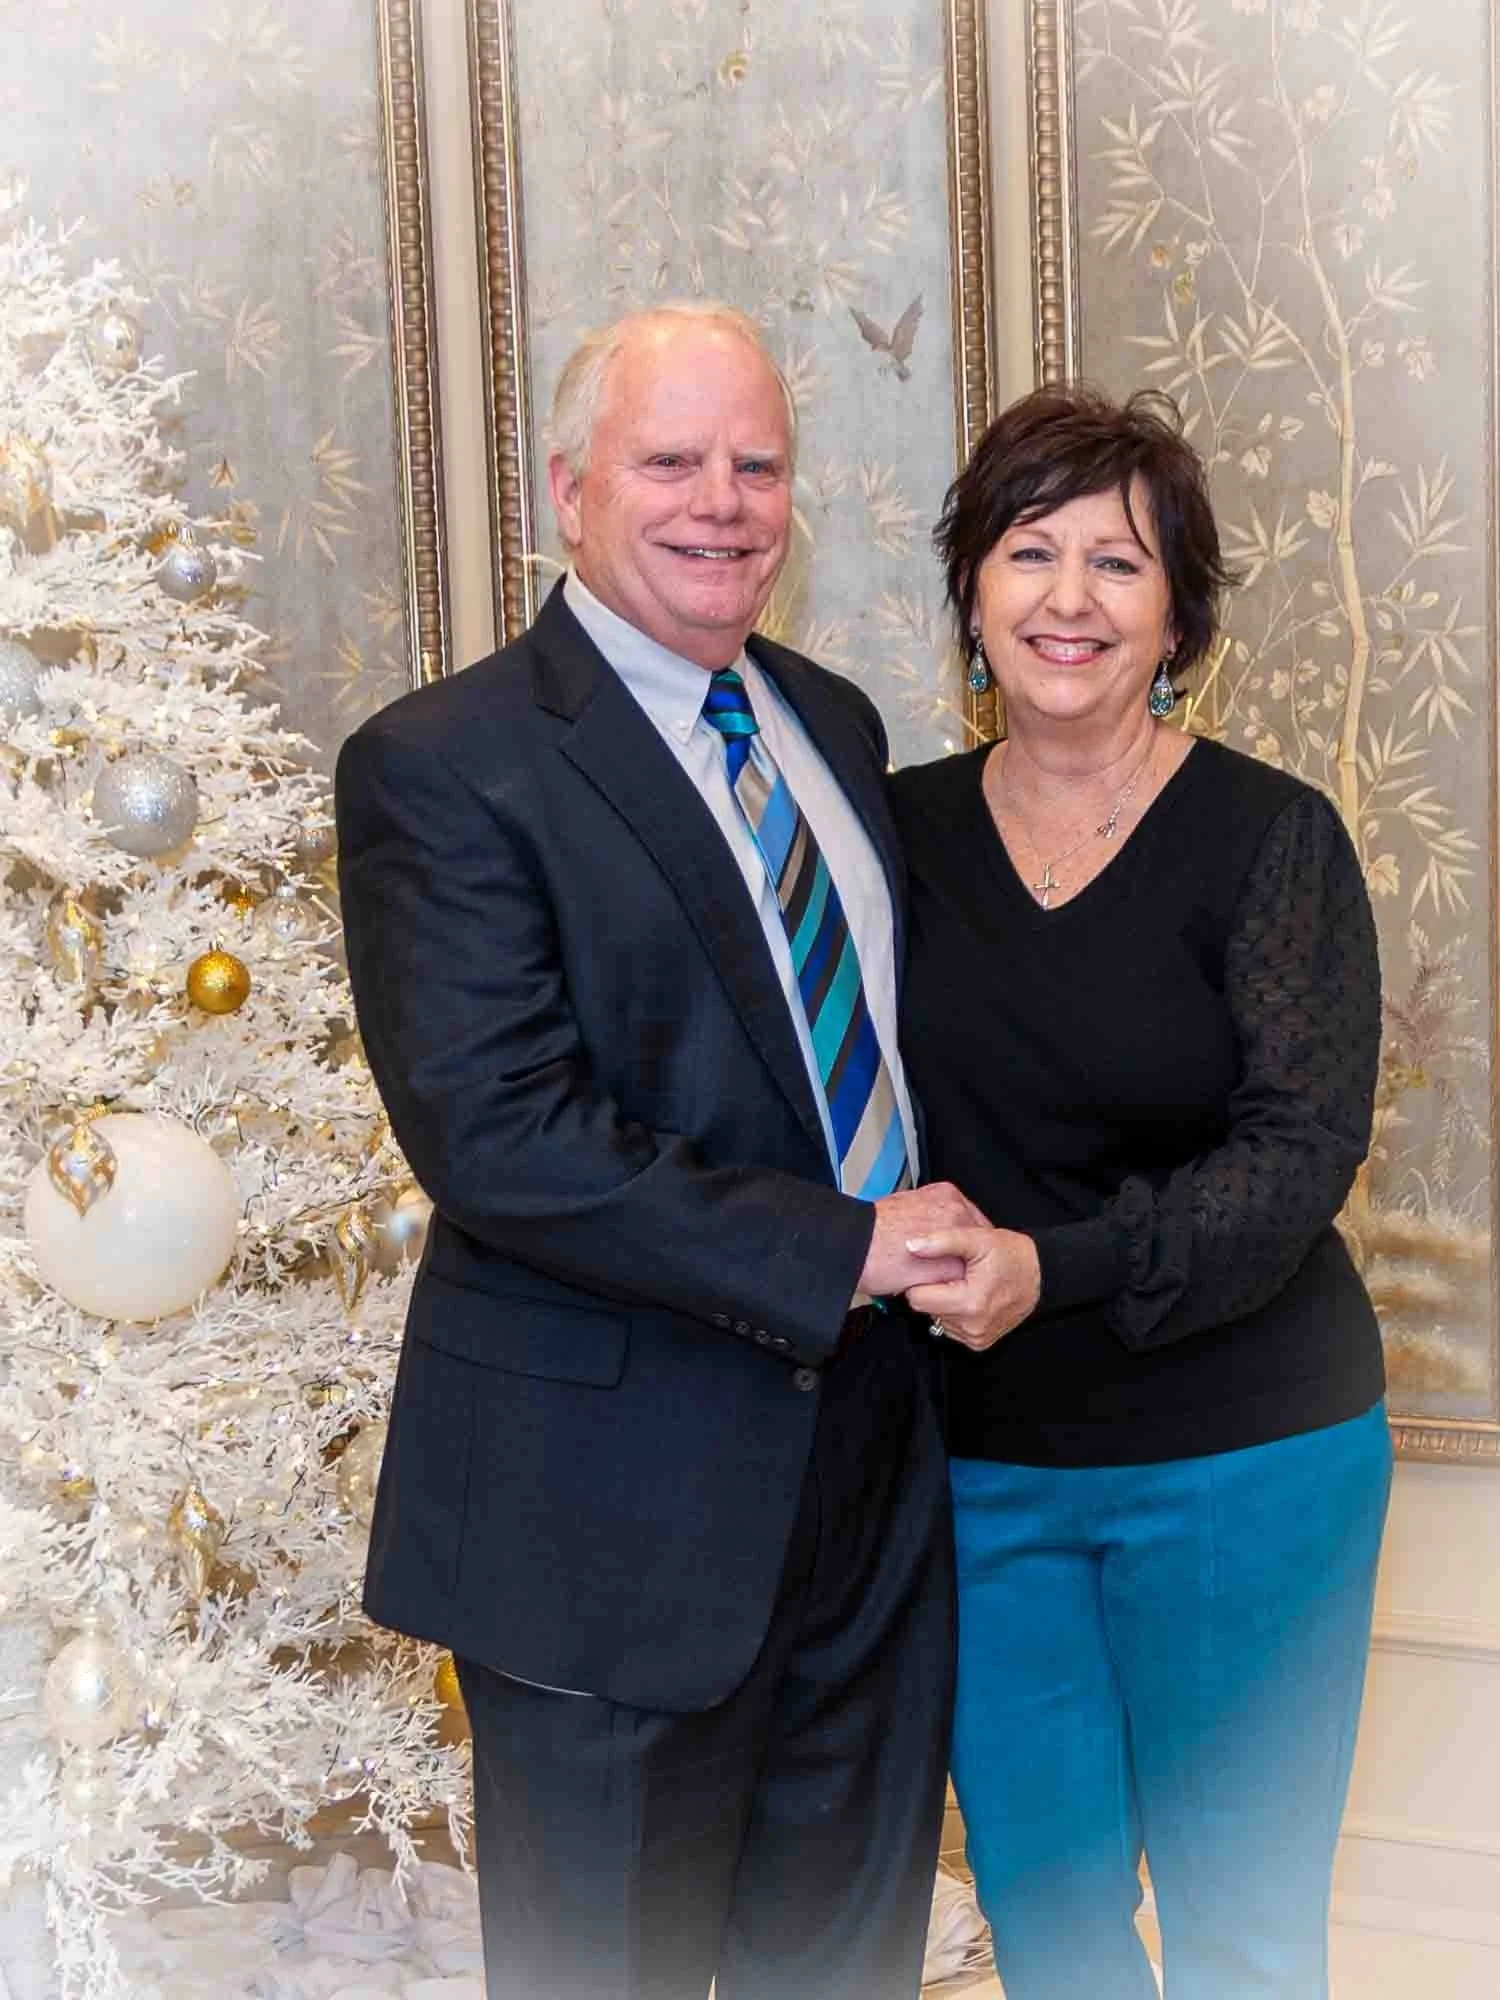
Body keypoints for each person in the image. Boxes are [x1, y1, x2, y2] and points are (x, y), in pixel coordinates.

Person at [334, 300, 976, 2000]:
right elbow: (500, 1135)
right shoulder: (444, 765)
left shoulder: (833, 726)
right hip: (601, 1529)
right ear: (568, 489)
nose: (724, 502)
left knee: (843, 1970)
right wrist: (839, 1249)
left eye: (758, 464)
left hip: (871, 1488)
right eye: (672, 460)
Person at [888, 384, 1392, 1999]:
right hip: (982, 1473)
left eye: (1118, 562)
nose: (1068, 599)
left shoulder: (1270, 839)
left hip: (1249, 1458)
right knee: (1048, 1932)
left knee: (1245, 1938)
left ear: (1179, 613)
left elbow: (1299, 1151)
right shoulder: (886, 835)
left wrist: (1060, 1264)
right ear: (972, 591)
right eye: (1029, 552)